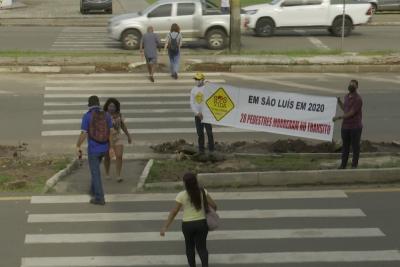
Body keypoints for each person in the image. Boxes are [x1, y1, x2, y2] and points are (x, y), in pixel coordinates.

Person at [160, 172, 217, 267]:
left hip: (187, 225)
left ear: (185, 183)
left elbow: (174, 212)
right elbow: (214, 205)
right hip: (201, 224)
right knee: (202, 248)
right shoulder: (203, 192)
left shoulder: (181, 195)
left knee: (189, 248)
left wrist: (165, 227)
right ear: (195, 181)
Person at [76, 96, 114, 205]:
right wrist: (110, 147)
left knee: (95, 172)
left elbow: (84, 134)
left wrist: (77, 146)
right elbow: (111, 132)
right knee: (95, 170)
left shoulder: (87, 116)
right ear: (98, 104)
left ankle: (99, 198)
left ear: (89, 105)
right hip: (105, 147)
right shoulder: (106, 115)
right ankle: (93, 190)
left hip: (93, 149)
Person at [333, 79, 363, 169]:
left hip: (355, 127)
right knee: (345, 147)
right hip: (345, 127)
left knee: (355, 147)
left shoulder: (358, 99)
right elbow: (345, 109)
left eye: (353, 85)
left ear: (357, 87)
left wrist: (339, 118)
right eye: (350, 84)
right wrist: (339, 102)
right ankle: (343, 165)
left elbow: (351, 113)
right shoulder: (346, 96)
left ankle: (354, 165)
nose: (351, 86)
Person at [103, 98, 132, 183]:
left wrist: (128, 135)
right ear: (107, 106)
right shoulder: (104, 115)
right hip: (106, 139)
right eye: (110, 106)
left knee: (119, 156)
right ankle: (107, 173)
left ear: (116, 107)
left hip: (118, 137)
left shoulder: (119, 115)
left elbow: (123, 126)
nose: (111, 108)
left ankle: (118, 175)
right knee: (107, 157)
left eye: (113, 106)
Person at [190, 72, 215, 153]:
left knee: (209, 133)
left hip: (207, 115)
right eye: (195, 79)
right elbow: (192, 103)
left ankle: (211, 149)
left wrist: (210, 84)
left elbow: (214, 92)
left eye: (198, 79)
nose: (196, 81)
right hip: (198, 116)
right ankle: (201, 150)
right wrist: (197, 113)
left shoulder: (207, 88)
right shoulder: (193, 90)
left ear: (202, 80)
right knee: (200, 133)